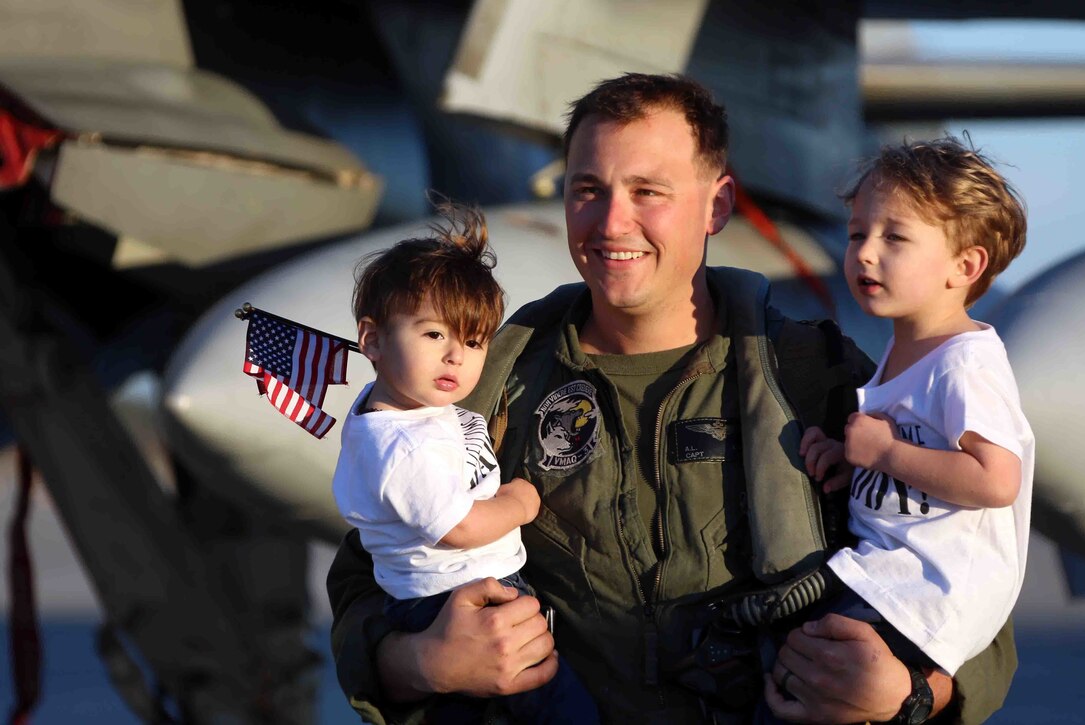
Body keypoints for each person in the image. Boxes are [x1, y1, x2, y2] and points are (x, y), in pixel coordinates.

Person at [327, 73, 1016, 724]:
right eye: (587, 189)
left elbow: (969, 577)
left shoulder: (816, 380)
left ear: (716, 204)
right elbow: (368, 579)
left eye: (648, 191)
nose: (610, 222)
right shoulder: (485, 385)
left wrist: (910, 692)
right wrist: (419, 661)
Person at [778, 137, 1032, 713]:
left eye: (894, 237)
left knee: (802, 675)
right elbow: (924, 464)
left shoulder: (963, 361)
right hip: (890, 583)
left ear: (964, 267)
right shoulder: (908, 349)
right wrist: (855, 462)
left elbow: (995, 481)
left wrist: (886, 452)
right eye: (857, 234)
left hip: (922, 599)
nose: (865, 253)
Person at [331, 203, 598, 724]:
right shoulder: (408, 445)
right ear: (372, 340)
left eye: (474, 341)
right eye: (434, 335)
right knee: (563, 709)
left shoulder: (404, 410)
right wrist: (517, 504)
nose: (456, 355)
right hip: (461, 598)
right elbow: (458, 526)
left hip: (443, 597)